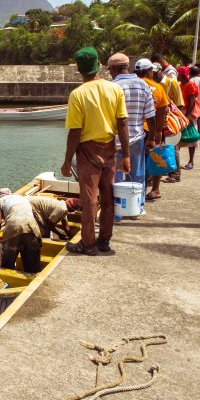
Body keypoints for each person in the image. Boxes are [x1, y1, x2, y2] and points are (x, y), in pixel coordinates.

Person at [62, 47, 130, 255]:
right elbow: (122, 123)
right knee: (107, 194)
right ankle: (104, 240)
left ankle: (88, 243)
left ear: (78, 69)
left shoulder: (78, 95)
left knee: (90, 198)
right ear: (99, 64)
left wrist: (66, 161)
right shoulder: (114, 89)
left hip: (88, 151)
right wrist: (126, 154)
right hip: (110, 147)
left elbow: (75, 131)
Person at [108, 52, 156, 220]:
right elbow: (150, 115)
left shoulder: (112, 87)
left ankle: (118, 213)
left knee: (115, 176)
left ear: (113, 69)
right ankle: (138, 208)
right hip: (137, 136)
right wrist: (152, 137)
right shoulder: (143, 85)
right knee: (137, 174)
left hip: (115, 139)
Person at [134, 58, 169, 201]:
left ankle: (136, 191)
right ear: (149, 72)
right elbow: (162, 111)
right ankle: (155, 189)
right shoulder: (157, 88)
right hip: (152, 129)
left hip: (134, 130)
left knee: (136, 163)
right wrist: (158, 132)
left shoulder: (130, 86)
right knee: (156, 159)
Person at [0, 188, 42, 272]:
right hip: (32, 227)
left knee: (8, 264)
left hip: (14, 227)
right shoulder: (22, 198)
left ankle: (8, 281)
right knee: (32, 263)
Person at [152, 62, 183, 183]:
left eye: (155, 72)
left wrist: (175, 121)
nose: (153, 75)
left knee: (172, 145)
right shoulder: (153, 85)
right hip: (157, 119)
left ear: (160, 71)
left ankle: (175, 174)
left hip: (169, 119)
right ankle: (159, 172)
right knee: (158, 147)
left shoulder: (171, 82)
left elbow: (179, 103)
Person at [177, 66, 200, 170]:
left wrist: (186, 116)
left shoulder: (190, 84)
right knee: (178, 138)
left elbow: (191, 101)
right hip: (181, 112)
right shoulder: (180, 85)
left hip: (188, 113)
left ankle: (191, 161)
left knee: (191, 138)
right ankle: (176, 162)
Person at [188, 65, 200, 134]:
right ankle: (197, 134)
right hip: (198, 104)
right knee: (198, 120)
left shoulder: (190, 81)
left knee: (190, 121)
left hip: (190, 104)